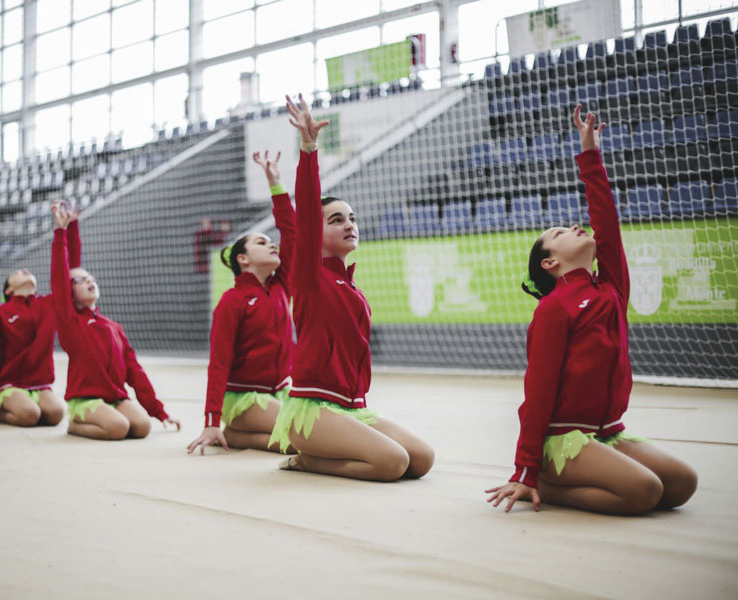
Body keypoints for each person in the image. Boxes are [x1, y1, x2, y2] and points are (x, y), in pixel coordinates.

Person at [485, 105, 697, 515]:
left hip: (607, 433)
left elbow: (608, 224)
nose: (575, 227)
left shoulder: (610, 287)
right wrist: (524, 468)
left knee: (682, 484)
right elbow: (538, 390)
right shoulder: (553, 308)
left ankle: (580, 472)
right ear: (550, 263)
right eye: (560, 233)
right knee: (644, 492)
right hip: (563, 439)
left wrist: (590, 155)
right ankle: (546, 483)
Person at [268, 93, 435, 481]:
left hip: (352, 407)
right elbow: (303, 216)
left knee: (421, 458)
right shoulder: (308, 276)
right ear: (317, 231)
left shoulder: (351, 285)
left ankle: (320, 453)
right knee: (392, 463)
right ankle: (305, 458)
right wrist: (308, 150)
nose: (349, 224)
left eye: (352, 218)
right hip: (313, 409)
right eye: (336, 219)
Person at [187, 151, 297, 455]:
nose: (272, 243)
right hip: (244, 398)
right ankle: (232, 431)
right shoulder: (231, 302)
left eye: (270, 241)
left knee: (315, 434)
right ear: (243, 259)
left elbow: (291, 232)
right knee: (300, 438)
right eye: (261, 242)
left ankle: (239, 437)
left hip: (279, 392)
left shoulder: (280, 286)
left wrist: (275, 183)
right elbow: (218, 364)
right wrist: (212, 420)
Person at [50, 202, 180, 440]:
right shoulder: (70, 322)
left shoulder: (113, 326)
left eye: (90, 277)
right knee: (117, 429)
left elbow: (134, 371)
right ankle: (76, 423)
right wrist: (64, 231)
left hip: (116, 397)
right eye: (79, 281)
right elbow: (61, 272)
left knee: (141, 427)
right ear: (68, 293)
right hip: (86, 399)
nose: (89, 281)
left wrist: (158, 411)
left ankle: (114, 416)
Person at [0, 205, 81, 427]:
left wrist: (67, 229)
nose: (24, 271)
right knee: (29, 416)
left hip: (40, 384)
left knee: (55, 415)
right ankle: (0, 411)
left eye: (27, 271)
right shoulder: (0, 313)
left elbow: (69, 270)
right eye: (17, 273)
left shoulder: (49, 304)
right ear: (8, 290)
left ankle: (24, 406)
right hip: (10, 385)